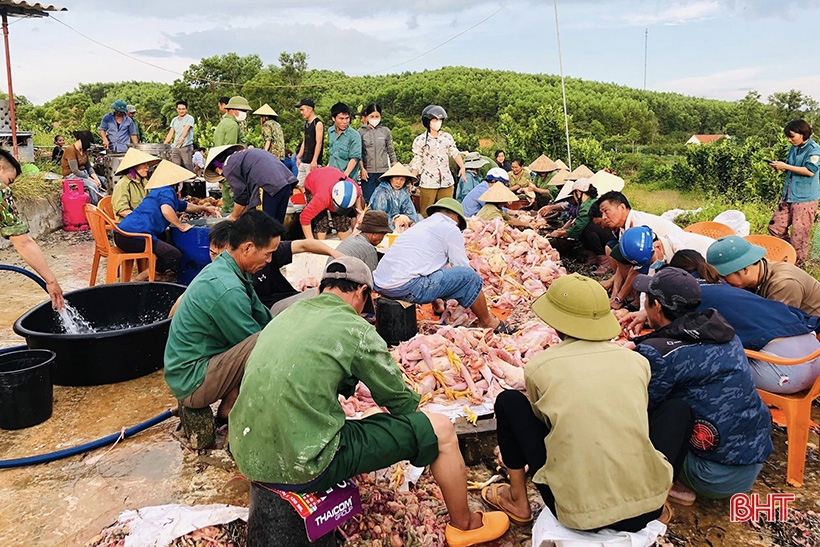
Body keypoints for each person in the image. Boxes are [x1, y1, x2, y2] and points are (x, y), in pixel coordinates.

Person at [229, 256, 510, 547]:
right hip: (305, 462)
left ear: (323, 287)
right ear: (362, 292)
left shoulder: (286, 314)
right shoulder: (355, 328)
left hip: (246, 451)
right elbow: (399, 401)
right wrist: (414, 422)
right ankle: (464, 526)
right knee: (441, 431)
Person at [489, 274, 675, 531]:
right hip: (647, 510)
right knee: (678, 409)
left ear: (556, 322)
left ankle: (517, 499)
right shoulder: (636, 362)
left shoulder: (540, 366)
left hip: (578, 513)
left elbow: (547, 424)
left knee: (509, 402)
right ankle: (655, 494)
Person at [631, 267, 773, 504]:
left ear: (656, 306)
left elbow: (642, 406)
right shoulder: (724, 333)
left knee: (656, 410)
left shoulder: (661, 354)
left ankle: (667, 483)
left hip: (711, 475)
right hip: (752, 461)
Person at [628, 250, 820, 395]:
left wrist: (635, 344)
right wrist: (645, 315)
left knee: (693, 364)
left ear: (660, 304)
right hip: (813, 353)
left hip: (789, 370)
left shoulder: (696, 303)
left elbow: (674, 336)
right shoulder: (719, 289)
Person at [165, 210, 284, 429]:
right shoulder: (227, 287)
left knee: (280, 324)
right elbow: (260, 345)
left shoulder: (231, 270)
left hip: (202, 362)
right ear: (247, 247)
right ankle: (234, 407)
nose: (269, 260)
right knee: (265, 344)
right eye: (267, 254)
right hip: (192, 381)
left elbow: (263, 315)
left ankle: (230, 402)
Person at [374, 198, 513, 334]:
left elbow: (426, 267)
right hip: (405, 287)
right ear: (455, 217)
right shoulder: (450, 229)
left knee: (437, 272)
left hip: (381, 284)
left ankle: (439, 305)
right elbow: (462, 267)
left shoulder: (421, 225)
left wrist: (437, 304)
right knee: (470, 277)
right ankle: (488, 322)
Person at [597, 191, 714, 309]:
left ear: (622, 207)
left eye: (606, 211)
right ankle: (634, 301)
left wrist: (619, 299)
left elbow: (639, 271)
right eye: (601, 213)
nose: (604, 218)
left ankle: (634, 302)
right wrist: (617, 297)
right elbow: (642, 270)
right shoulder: (640, 242)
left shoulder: (681, 252)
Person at [115, 161, 219, 276]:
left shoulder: (161, 191)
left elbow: (186, 206)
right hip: (132, 236)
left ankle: (162, 272)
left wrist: (205, 208)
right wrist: (181, 226)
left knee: (168, 239)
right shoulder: (166, 190)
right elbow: (166, 210)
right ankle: (142, 278)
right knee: (173, 255)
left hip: (122, 234)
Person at [0, 148, 64, 309]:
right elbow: (23, 242)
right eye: (10, 180)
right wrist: (51, 281)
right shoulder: (1, 191)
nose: (8, 185)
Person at [706, 235, 820, 315]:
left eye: (724, 276)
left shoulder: (783, 284)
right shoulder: (759, 272)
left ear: (745, 269)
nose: (723, 281)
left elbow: (779, 325)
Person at [768, 119, 820, 265]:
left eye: (792, 136)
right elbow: (793, 166)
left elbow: (810, 171)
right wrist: (782, 167)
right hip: (788, 195)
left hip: (805, 199)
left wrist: (786, 166)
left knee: (800, 235)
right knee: (775, 227)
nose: (789, 140)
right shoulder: (795, 148)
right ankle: (790, 253)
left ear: (803, 134)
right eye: (788, 137)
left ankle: (798, 266)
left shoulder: (814, 150)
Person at [204, 145, 297, 223]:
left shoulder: (228, 165)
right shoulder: (244, 156)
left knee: (263, 229)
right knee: (276, 226)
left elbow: (241, 197)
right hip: (284, 183)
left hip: (267, 187)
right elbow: (246, 197)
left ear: (218, 169)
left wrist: (233, 217)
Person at [548, 179, 615, 275]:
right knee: (584, 228)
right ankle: (592, 257)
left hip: (609, 235)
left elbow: (579, 226)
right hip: (604, 233)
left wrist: (561, 233)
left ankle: (605, 261)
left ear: (578, 192)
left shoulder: (589, 204)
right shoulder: (586, 204)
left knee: (585, 228)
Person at [410, 105, 466, 216]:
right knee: (426, 211)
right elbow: (417, 161)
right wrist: (411, 180)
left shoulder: (447, 137)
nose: (438, 122)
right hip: (428, 182)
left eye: (440, 119)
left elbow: (454, 152)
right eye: (435, 119)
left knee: (447, 211)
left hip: (446, 180)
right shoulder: (420, 140)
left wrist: (462, 166)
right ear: (428, 121)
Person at [300, 166, 362, 240]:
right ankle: (320, 247)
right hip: (314, 181)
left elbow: (358, 197)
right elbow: (304, 217)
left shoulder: (354, 189)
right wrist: (310, 240)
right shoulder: (321, 198)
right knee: (322, 222)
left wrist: (359, 213)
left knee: (342, 222)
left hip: (331, 175)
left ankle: (344, 245)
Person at [214, 95, 251, 214]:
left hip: (220, 162)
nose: (245, 114)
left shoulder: (223, 123)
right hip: (229, 164)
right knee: (235, 197)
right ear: (235, 110)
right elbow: (230, 149)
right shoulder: (232, 126)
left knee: (226, 198)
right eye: (244, 111)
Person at [358, 103, 398, 202]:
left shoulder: (385, 131)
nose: (374, 118)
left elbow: (390, 150)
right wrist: (362, 169)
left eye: (377, 116)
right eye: (372, 116)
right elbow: (359, 153)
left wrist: (396, 169)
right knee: (370, 200)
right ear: (367, 117)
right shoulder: (360, 132)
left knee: (384, 200)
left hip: (383, 172)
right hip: (368, 173)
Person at [111, 148, 160, 221]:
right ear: (134, 166)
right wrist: (143, 219)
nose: (147, 167)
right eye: (144, 164)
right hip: (130, 225)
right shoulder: (123, 184)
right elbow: (123, 211)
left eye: (147, 164)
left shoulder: (145, 182)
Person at [368, 163, 420, 232]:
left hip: (400, 223)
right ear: (390, 179)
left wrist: (411, 222)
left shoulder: (403, 192)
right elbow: (379, 215)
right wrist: (395, 220)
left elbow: (409, 210)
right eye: (396, 178)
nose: (398, 182)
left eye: (402, 180)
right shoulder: (382, 192)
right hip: (381, 225)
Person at [61, 130, 105, 205]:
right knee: (93, 186)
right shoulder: (70, 150)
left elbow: (88, 167)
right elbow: (75, 170)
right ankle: (96, 206)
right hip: (73, 175)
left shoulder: (84, 151)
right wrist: (92, 180)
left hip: (84, 173)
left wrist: (96, 178)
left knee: (103, 180)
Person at [327, 102, 362, 181]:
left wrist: (344, 176)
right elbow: (333, 155)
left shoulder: (354, 135)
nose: (345, 122)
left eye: (347, 118)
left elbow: (354, 158)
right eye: (341, 118)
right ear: (333, 118)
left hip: (348, 179)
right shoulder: (330, 131)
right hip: (332, 177)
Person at [295, 98, 324, 187]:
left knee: (311, 187)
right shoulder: (306, 124)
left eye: (302, 110)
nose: (301, 112)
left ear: (310, 109)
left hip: (313, 161)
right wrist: (299, 156)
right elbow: (305, 141)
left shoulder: (318, 123)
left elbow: (318, 143)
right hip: (305, 160)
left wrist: (314, 160)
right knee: (299, 185)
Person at [164, 100, 195, 171]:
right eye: (179, 109)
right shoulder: (174, 120)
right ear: (177, 109)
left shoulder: (189, 118)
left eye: (183, 109)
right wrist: (165, 144)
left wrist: (182, 138)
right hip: (175, 147)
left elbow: (186, 129)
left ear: (186, 109)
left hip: (186, 146)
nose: (181, 111)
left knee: (188, 167)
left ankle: (191, 181)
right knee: (175, 167)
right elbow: (171, 132)